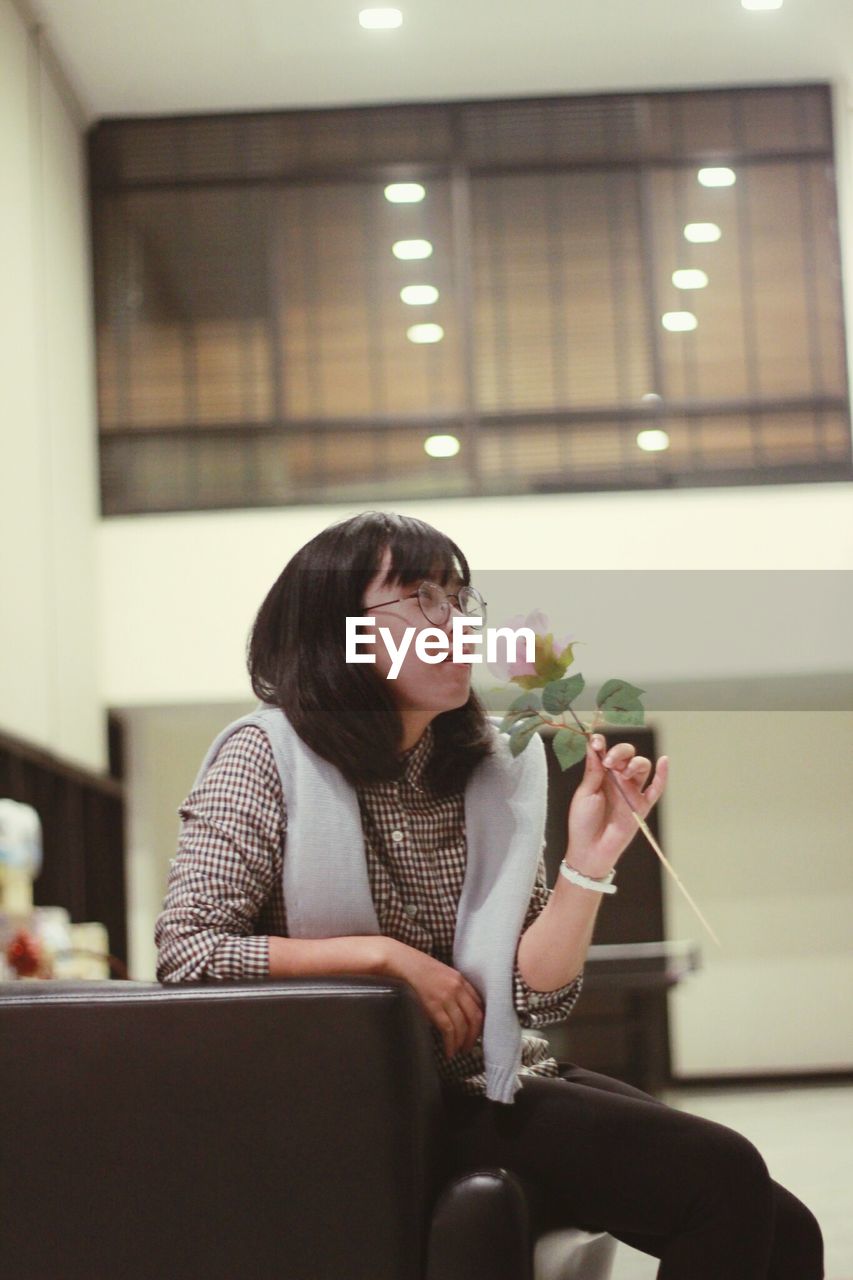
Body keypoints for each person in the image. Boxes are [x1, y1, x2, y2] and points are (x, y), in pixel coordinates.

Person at [155, 509, 824, 1279]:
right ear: (335, 631)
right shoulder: (264, 753)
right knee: (719, 1169)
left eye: (458, 597)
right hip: (369, 1095)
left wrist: (585, 862)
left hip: (490, 1074)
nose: (454, 622)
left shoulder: (496, 766)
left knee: (787, 1229)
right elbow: (189, 950)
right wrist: (385, 959)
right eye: (419, 597)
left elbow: (532, 999)